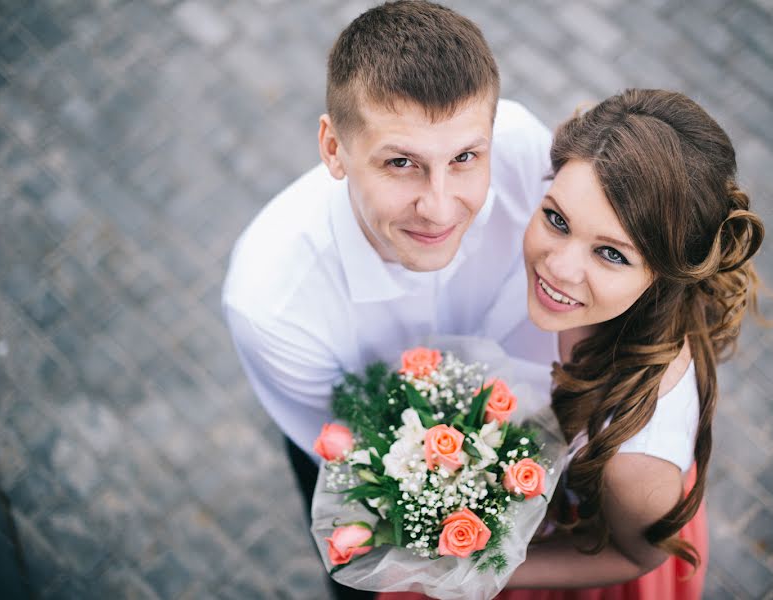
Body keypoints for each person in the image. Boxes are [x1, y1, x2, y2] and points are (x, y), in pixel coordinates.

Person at [221, 2, 557, 599]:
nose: (439, 205)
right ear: (333, 148)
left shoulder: (526, 151)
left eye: (464, 159)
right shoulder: (270, 304)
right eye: (401, 164)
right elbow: (357, 467)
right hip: (377, 478)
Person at [381, 89, 764, 600]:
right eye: (557, 219)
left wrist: (489, 572)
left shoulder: (639, 459)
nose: (556, 267)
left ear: (665, 275)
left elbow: (635, 555)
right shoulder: (596, 306)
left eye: (610, 253)